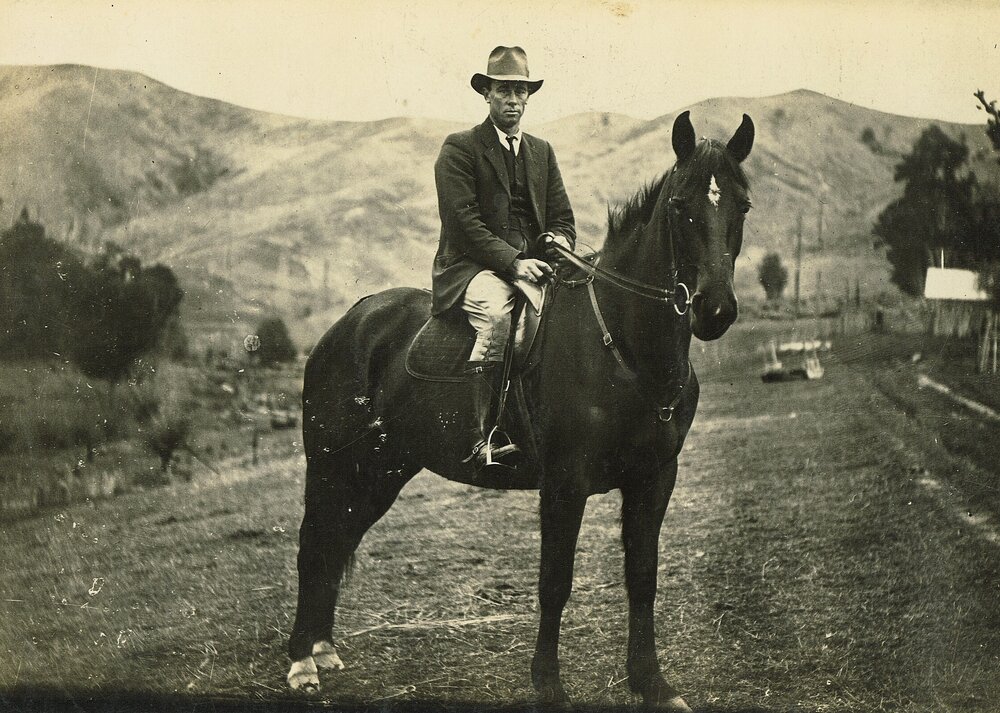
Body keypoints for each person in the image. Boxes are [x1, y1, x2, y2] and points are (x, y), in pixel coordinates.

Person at [432, 46, 576, 470]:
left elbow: (564, 217)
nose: (513, 100)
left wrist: (557, 240)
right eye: (504, 90)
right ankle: (483, 437)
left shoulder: (541, 151)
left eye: (520, 91)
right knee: (497, 315)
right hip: (469, 267)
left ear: (529, 96)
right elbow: (463, 224)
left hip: (533, 265)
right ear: (486, 94)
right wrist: (514, 263)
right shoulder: (459, 149)